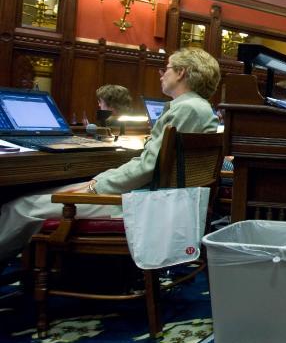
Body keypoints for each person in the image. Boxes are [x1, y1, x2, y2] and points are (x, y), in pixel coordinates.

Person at [0, 48, 221, 260]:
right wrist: (97, 181)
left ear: (181, 72)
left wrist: (95, 186)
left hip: (142, 202)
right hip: (158, 197)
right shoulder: (201, 108)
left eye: (168, 68)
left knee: (21, 206)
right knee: (52, 191)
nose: (162, 74)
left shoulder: (186, 109)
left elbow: (147, 167)